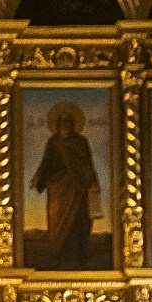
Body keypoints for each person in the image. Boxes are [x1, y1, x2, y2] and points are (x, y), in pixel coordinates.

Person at [31, 106, 100, 267]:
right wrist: (38, 176)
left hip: (78, 188)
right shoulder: (53, 142)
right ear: (57, 124)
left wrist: (92, 182)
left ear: (72, 124)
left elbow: (87, 163)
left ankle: (78, 255)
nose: (65, 125)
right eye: (62, 122)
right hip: (58, 188)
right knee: (58, 220)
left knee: (79, 220)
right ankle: (59, 253)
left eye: (67, 122)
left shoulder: (81, 141)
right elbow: (46, 162)